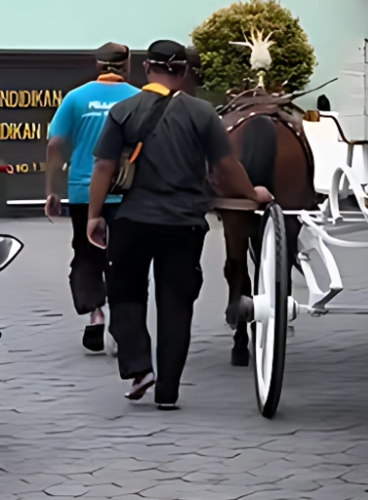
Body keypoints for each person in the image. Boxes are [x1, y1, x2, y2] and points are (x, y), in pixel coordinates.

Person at [88, 39, 272, 410]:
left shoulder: (123, 111)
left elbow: (104, 166)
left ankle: (140, 368)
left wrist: (94, 215)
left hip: (132, 220)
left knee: (125, 296)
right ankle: (168, 390)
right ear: (184, 71)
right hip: (184, 223)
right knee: (176, 305)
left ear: (146, 68)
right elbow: (225, 166)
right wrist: (252, 193)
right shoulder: (202, 114)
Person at [46, 42, 139, 353]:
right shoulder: (138, 98)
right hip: (127, 192)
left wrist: (52, 190)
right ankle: (121, 323)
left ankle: (96, 315)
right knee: (123, 257)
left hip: (83, 191)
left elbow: (54, 144)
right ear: (126, 65)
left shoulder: (76, 97)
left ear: (98, 65)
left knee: (86, 253)